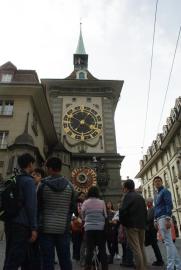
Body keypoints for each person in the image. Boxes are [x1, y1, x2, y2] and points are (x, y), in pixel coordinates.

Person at [37, 157, 75, 270]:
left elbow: (38, 206)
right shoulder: (70, 186)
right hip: (63, 228)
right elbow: (72, 208)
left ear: (49, 168)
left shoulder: (42, 185)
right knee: (65, 260)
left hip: (45, 228)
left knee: (47, 261)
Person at [3, 153, 37, 270]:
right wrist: (33, 228)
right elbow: (31, 206)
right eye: (33, 164)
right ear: (30, 164)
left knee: (10, 254)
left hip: (10, 221)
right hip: (22, 224)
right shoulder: (28, 181)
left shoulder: (15, 178)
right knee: (15, 258)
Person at [153, 176, 181, 270]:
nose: (157, 183)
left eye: (158, 181)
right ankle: (178, 265)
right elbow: (156, 208)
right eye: (155, 182)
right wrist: (155, 220)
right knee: (169, 243)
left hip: (164, 217)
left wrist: (168, 218)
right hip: (160, 218)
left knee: (168, 242)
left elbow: (169, 204)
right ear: (154, 184)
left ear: (162, 182)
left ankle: (170, 267)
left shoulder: (165, 191)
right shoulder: (157, 195)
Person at [119, 179, 147, 270]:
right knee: (141, 247)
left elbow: (122, 211)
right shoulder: (140, 197)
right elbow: (145, 211)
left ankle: (140, 268)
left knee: (136, 248)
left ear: (126, 188)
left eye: (123, 188)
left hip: (131, 226)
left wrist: (123, 223)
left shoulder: (127, 197)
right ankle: (144, 266)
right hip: (141, 225)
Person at [81, 186, 108, 270]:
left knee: (89, 250)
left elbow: (82, 215)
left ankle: (87, 267)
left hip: (89, 229)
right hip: (100, 228)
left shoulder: (85, 202)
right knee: (102, 249)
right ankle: (104, 267)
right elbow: (105, 215)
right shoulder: (102, 202)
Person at [145, 198, 164, 266]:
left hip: (151, 230)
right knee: (154, 246)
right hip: (151, 230)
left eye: (147, 202)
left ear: (150, 203)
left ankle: (160, 260)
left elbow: (149, 219)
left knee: (155, 246)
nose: (146, 203)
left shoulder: (152, 209)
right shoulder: (150, 209)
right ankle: (159, 260)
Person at [71, 191, 85, 263]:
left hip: (83, 224)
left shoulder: (85, 203)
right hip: (76, 224)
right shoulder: (74, 203)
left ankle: (81, 255)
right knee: (76, 241)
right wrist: (74, 218)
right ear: (78, 196)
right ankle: (76, 256)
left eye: (83, 196)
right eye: (81, 196)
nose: (82, 197)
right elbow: (72, 212)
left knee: (82, 241)